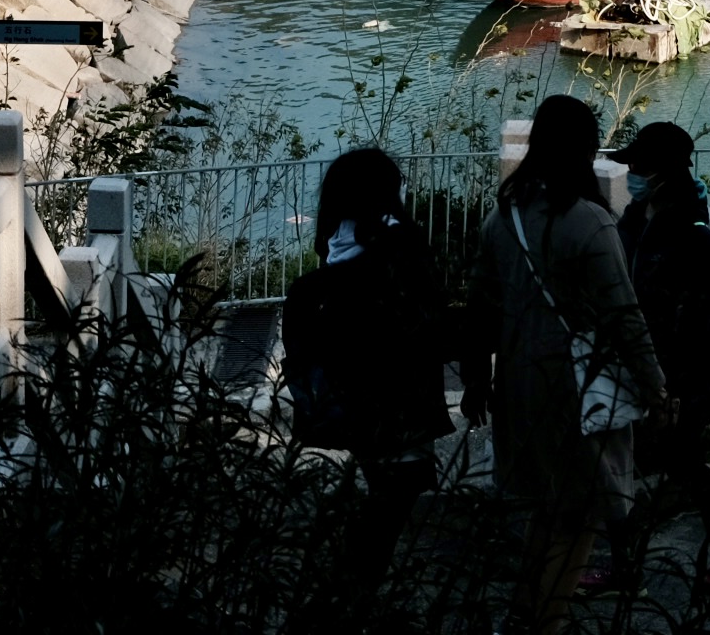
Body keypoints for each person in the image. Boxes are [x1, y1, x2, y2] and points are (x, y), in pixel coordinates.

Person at [466, 96, 662, 635]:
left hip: (517, 382)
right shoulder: (590, 223)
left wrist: (476, 378)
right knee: (580, 516)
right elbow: (624, 318)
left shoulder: (501, 219)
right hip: (578, 387)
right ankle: (543, 624)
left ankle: (521, 617)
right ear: (584, 150)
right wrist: (656, 387)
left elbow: (479, 308)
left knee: (546, 510)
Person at [282, 148, 452, 578]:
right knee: (393, 501)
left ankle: (348, 581)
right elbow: (428, 322)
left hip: (352, 401)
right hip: (401, 402)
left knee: (382, 491)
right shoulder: (400, 251)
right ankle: (349, 588)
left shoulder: (337, 249)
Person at [617, 124, 710, 589]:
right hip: (637, 363)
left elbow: (706, 325)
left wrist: (698, 392)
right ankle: (622, 563)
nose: (631, 173)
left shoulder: (695, 238)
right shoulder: (634, 220)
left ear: (663, 173)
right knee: (625, 463)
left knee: (683, 462)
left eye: (639, 166)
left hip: (683, 375)